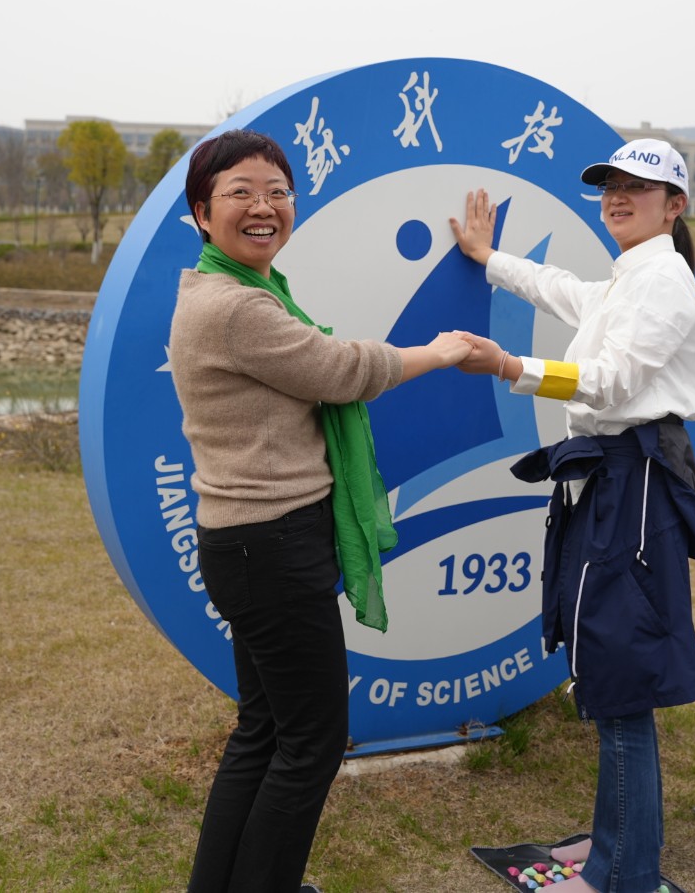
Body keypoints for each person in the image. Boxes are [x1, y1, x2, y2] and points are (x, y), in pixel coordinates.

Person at [168, 128, 471, 893]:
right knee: (312, 742)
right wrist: (439, 351)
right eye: (240, 192)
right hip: (268, 548)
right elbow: (341, 371)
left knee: (266, 730)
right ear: (202, 213)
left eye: (278, 191)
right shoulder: (236, 307)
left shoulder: (241, 292)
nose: (263, 206)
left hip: (249, 545)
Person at [449, 138, 695, 893]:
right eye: (610, 186)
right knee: (608, 668)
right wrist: (489, 258)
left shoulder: (662, 279)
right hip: (613, 482)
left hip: (633, 486)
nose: (618, 197)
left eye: (638, 186)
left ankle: (626, 873)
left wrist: (511, 367)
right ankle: (615, 854)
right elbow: (560, 288)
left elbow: (610, 381)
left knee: (620, 678)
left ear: (675, 205)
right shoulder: (630, 277)